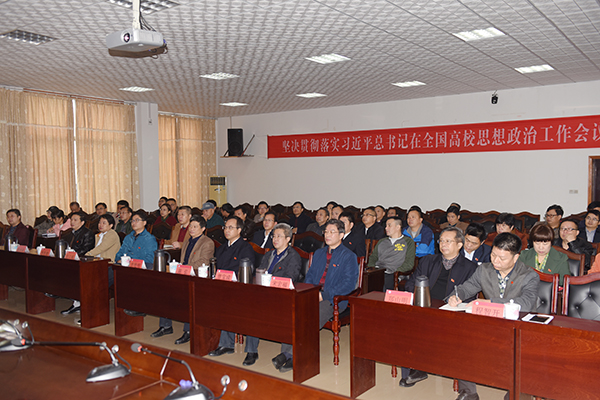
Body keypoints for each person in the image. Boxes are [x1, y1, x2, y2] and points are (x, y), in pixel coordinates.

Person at [448, 233, 540, 400]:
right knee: (462, 339)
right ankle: (468, 392)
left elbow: (526, 303)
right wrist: (456, 295)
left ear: (515, 257)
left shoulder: (529, 275)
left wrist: (491, 302)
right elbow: (468, 287)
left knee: (527, 357)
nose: (496, 261)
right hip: (492, 325)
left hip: (519, 328)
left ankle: (518, 394)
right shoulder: (484, 270)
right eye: (493, 255)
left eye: (502, 258)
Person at [400, 227, 478, 388]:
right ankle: (416, 368)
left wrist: (455, 302)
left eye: (448, 241)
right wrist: (417, 297)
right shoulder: (428, 261)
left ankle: (429, 366)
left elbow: (470, 295)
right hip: (424, 307)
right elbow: (410, 283)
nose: (443, 244)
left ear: (459, 245)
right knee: (404, 324)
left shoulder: (470, 267)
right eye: (441, 241)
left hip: (451, 312)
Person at [152, 215, 215, 345]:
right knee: (164, 292)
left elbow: (203, 262)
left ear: (203, 229)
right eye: (190, 226)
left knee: (190, 298)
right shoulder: (186, 242)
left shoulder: (207, 242)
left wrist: (184, 268)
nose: (191, 229)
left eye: (195, 227)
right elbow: (182, 260)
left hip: (197, 277)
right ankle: (165, 326)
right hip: (183, 274)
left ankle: (188, 331)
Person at [250, 223, 302, 371]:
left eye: (279, 236)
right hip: (264, 293)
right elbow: (260, 271)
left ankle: (286, 354)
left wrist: (270, 281)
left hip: (282, 295)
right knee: (249, 307)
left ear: (288, 239)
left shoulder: (293, 256)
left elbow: (290, 277)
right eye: (273, 236)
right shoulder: (269, 254)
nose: (275, 239)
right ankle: (251, 351)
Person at [208, 216, 255, 362]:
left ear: (239, 230)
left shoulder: (245, 248)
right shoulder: (222, 248)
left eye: (230, 228)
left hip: (238, 287)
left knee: (226, 302)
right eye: (225, 227)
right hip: (221, 285)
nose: (226, 230)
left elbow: (246, 270)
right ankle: (210, 340)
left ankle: (226, 344)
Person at [305, 219, 359, 328]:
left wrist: (323, 295)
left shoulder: (349, 256)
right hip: (314, 293)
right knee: (292, 309)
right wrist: (310, 291)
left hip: (334, 299)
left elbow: (348, 284)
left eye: (332, 232)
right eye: (326, 231)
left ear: (341, 235)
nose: (327, 235)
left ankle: (304, 338)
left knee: (311, 316)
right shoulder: (319, 253)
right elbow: (310, 275)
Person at [59, 212, 96, 316]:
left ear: (82, 222)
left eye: (75, 220)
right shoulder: (69, 233)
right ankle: (74, 301)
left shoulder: (87, 233)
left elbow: (86, 249)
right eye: (71, 219)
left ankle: (78, 303)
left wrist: (72, 255)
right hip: (70, 260)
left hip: (83, 262)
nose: (72, 222)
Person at [367, 216, 415, 290]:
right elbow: (373, 257)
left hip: (395, 272)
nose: (386, 228)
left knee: (384, 282)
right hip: (379, 271)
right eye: (386, 226)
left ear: (398, 227)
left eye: (389, 225)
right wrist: (373, 268)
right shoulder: (382, 241)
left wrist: (396, 271)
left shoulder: (408, 242)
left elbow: (409, 263)